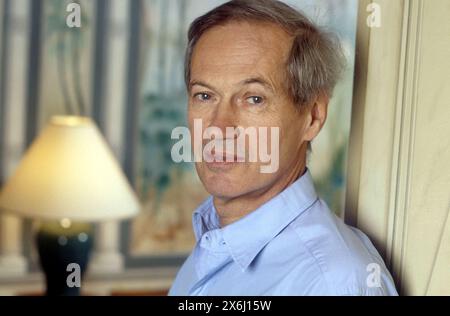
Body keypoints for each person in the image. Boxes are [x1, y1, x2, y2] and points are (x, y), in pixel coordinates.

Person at [169, 0, 398, 296]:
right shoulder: (214, 238)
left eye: (254, 99)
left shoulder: (334, 282)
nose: (218, 128)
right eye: (204, 95)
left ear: (313, 117)